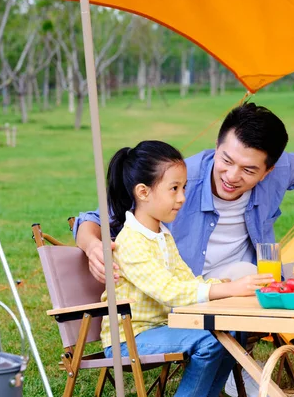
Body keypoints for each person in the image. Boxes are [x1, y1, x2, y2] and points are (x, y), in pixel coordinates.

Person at [74, 102, 294, 282]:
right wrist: (93, 247)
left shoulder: (281, 169)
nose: (232, 176)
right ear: (216, 145)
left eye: (248, 169)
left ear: (268, 170)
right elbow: (92, 220)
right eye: (226, 160)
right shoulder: (178, 180)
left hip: (251, 279)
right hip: (187, 287)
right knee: (249, 274)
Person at [101, 140, 273, 397]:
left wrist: (228, 286)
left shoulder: (162, 235)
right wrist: (228, 289)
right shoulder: (130, 241)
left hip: (163, 328)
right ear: (143, 192)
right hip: (130, 338)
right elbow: (169, 292)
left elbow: (188, 281)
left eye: (183, 187)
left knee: (232, 332)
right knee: (210, 342)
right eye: (174, 189)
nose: (182, 197)